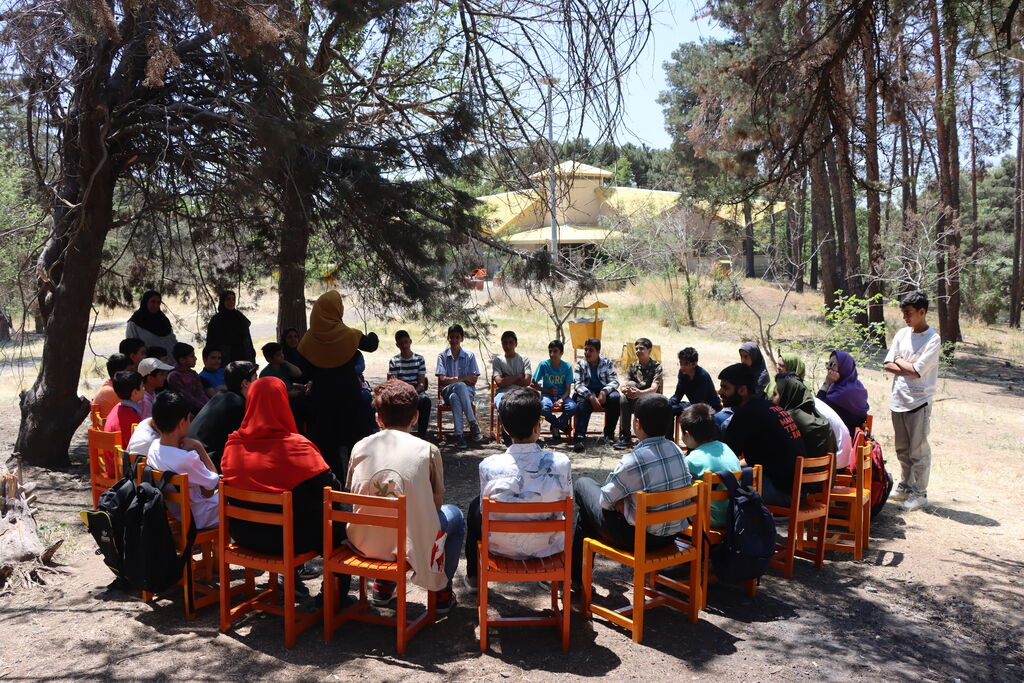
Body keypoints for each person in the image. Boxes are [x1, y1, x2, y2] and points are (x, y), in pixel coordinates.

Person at [346, 380, 464, 614]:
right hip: (408, 544)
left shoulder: (359, 447)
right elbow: (436, 505)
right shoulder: (427, 450)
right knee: (455, 517)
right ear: (415, 417)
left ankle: (383, 585)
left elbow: (353, 494)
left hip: (363, 541)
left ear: (378, 418)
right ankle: (441, 591)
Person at [572, 394, 691, 581]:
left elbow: (605, 502)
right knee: (588, 513)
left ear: (637, 423)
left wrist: (623, 503)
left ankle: (576, 581)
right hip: (671, 536)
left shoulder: (633, 461)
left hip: (638, 540)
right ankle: (576, 580)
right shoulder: (677, 450)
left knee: (583, 485)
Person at [464, 387, 572, 592]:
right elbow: (566, 505)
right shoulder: (561, 463)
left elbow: (483, 510)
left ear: (504, 428)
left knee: (474, 507)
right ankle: (554, 577)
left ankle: (474, 577)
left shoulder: (488, 465)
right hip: (546, 548)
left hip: (500, 548)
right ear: (538, 426)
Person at [220, 377, 340, 557]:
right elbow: (332, 489)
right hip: (288, 540)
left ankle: (293, 581)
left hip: (242, 534)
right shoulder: (298, 447)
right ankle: (337, 583)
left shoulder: (232, 445)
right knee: (336, 517)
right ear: (283, 402)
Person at [299, 290, 379, 477]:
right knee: (354, 439)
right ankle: (358, 481)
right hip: (348, 394)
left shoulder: (306, 341)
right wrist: (373, 333)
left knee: (328, 444)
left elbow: (305, 371)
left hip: (322, 397)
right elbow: (371, 345)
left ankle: (336, 486)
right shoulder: (350, 335)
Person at [883, 290, 941, 512]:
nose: (905, 318)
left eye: (908, 313)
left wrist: (902, 362)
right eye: (903, 313)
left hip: (919, 402)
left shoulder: (933, 338)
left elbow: (917, 371)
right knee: (902, 449)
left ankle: (920, 493)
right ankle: (905, 486)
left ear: (922, 312)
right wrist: (903, 364)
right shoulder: (901, 334)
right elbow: (888, 364)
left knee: (918, 450)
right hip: (898, 399)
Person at [718, 363, 805, 508]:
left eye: (725, 387)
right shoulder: (771, 408)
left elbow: (725, 458)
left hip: (782, 493)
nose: (720, 392)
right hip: (799, 490)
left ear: (742, 390)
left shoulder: (746, 414)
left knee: (719, 484)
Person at [146, 391, 220, 529]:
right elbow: (212, 484)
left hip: (177, 513)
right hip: (199, 517)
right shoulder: (187, 459)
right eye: (189, 418)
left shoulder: (153, 448)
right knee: (236, 500)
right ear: (182, 423)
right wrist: (199, 447)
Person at [773, 352, 851, 470]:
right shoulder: (807, 404)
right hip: (833, 462)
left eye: (774, 394)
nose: (770, 398)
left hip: (835, 462)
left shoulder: (799, 414)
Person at [678, 403, 740, 529]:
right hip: (735, 515)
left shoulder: (691, 460)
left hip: (708, 521)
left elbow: (680, 494)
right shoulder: (726, 447)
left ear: (687, 434)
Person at [188, 360, 256, 470]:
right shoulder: (238, 404)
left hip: (191, 456)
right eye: (255, 378)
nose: (257, 381)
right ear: (245, 383)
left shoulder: (220, 396)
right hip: (205, 463)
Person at [436, 323, 482, 449]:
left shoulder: (469, 356)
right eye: (452, 337)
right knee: (460, 386)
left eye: (457, 337)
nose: (454, 340)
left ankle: (459, 436)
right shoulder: (442, 356)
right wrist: (464, 379)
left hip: (467, 394)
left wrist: (455, 380)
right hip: (446, 391)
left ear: (462, 338)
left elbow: (473, 381)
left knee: (455, 397)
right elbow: (442, 380)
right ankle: (472, 423)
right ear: (448, 338)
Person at [772, 373, 837, 462]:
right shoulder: (820, 419)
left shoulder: (787, 421)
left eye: (775, 394)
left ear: (786, 395)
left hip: (798, 475)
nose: (771, 398)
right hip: (825, 475)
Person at [571, 337, 620, 452]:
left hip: (603, 393)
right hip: (586, 393)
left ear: (598, 352)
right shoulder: (580, 364)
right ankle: (579, 437)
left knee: (615, 398)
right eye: (586, 350)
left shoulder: (607, 363)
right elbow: (578, 385)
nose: (587, 353)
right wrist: (591, 397)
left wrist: (604, 391)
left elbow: (614, 381)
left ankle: (609, 435)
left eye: (590, 350)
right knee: (581, 402)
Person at [616, 337, 664, 450]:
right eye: (636, 349)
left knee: (634, 391)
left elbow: (654, 388)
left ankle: (644, 438)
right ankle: (625, 437)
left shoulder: (657, 367)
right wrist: (624, 389)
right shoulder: (633, 366)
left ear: (649, 350)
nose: (638, 351)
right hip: (634, 399)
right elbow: (625, 383)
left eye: (641, 349)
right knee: (623, 398)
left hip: (650, 400)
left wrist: (640, 393)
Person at [387, 329, 432, 439]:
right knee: (394, 401)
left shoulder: (419, 359)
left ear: (410, 341)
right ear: (397, 345)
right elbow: (395, 383)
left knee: (425, 400)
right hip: (401, 391)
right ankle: (398, 435)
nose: (404, 345)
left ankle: (422, 435)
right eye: (401, 343)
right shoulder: (394, 361)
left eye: (406, 342)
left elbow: (421, 384)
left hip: (416, 391)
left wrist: (413, 392)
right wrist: (404, 392)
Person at [492, 330, 533, 445]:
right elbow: (499, 382)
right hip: (503, 392)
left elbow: (527, 381)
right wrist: (518, 376)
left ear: (516, 344)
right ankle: (507, 433)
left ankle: (525, 434)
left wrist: (508, 379)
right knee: (502, 403)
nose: (508, 346)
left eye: (511, 342)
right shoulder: (498, 360)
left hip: (521, 391)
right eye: (505, 343)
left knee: (529, 404)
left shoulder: (524, 359)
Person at [531, 339, 576, 444]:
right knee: (541, 408)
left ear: (561, 353)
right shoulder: (543, 365)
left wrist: (561, 400)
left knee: (573, 407)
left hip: (562, 395)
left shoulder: (567, 367)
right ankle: (561, 425)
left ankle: (555, 425)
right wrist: (547, 390)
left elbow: (568, 390)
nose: (552, 354)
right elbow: (533, 383)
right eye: (550, 351)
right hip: (547, 395)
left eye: (555, 351)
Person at [818, 350, 870, 435]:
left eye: (833, 364)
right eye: (828, 363)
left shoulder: (846, 393)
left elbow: (818, 410)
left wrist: (826, 383)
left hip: (841, 442)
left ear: (844, 367)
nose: (828, 367)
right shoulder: (855, 385)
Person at [668, 347, 722, 418]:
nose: (682, 367)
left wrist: (676, 407)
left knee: (674, 409)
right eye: (681, 363)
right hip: (695, 405)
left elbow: (698, 402)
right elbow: (677, 395)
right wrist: (667, 403)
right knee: (667, 409)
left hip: (710, 407)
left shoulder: (702, 376)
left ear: (694, 364)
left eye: (686, 364)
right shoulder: (682, 374)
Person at [205, 290, 256, 364]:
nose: (231, 302)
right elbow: (211, 342)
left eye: (233, 299)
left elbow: (248, 340)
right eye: (228, 299)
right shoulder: (216, 320)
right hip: (225, 360)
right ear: (223, 301)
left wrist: (251, 357)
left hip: (243, 357)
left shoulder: (239, 317)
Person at [103, 370, 144, 447]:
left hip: (111, 457)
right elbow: (137, 447)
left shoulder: (117, 407)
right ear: (135, 392)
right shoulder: (132, 418)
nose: (144, 389)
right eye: (142, 386)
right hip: (119, 458)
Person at [167, 342, 209, 415]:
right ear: (182, 360)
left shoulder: (193, 374)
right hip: (185, 412)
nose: (195, 358)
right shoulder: (174, 376)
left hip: (200, 408)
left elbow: (200, 392)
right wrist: (204, 408)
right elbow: (186, 397)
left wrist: (209, 405)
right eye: (192, 356)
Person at [92, 353, 132, 422]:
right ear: (118, 374)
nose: (132, 375)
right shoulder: (116, 392)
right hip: (115, 431)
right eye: (129, 371)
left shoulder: (107, 386)